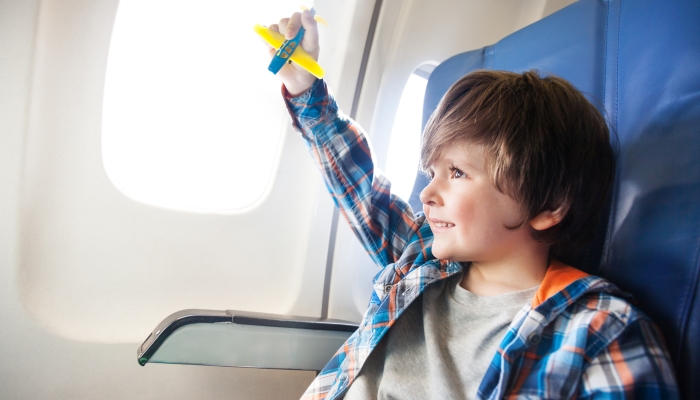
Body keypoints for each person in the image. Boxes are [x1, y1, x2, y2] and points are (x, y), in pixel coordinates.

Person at [265, 10, 679, 400]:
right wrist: (306, 90)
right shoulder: (421, 260)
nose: (427, 194)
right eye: (431, 173)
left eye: (458, 173)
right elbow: (362, 191)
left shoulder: (600, 331)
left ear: (548, 204)